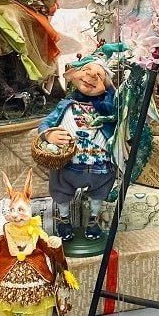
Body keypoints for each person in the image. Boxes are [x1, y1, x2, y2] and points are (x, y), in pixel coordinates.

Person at [0, 169, 78, 316]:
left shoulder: (37, 233)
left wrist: (55, 245)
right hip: (4, 280)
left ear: (30, 210)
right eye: (12, 210)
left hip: (35, 281)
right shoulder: (4, 235)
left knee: (38, 312)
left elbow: (51, 252)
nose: (15, 215)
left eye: (20, 210)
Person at [37, 51, 118, 242]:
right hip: (68, 164)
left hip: (100, 164)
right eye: (87, 70)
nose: (91, 77)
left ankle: (93, 220)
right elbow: (46, 123)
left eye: (99, 76)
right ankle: (64, 220)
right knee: (61, 191)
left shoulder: (111, 109)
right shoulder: (66, 105)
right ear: (73, 74)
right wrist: (49, 134)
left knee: (99, 193)